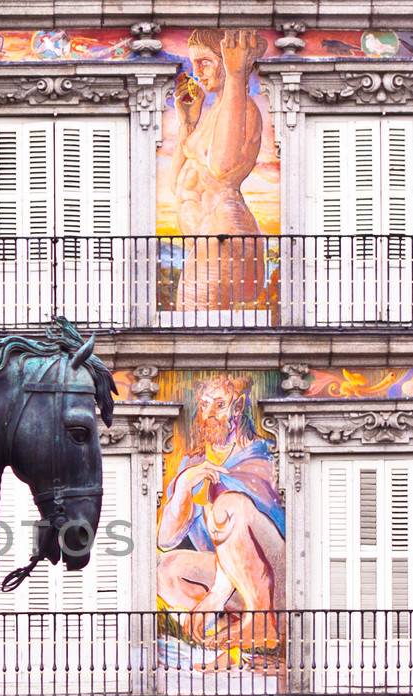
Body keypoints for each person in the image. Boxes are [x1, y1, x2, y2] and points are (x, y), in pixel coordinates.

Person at [156, 376, 285, 644]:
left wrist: (216, 594)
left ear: (237, 408)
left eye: (219, 405)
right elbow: (165, 539)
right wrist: (184, 485)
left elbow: (254, 531)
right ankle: (231, 622)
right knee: (165, 570)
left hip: (275, 574)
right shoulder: (194, 462)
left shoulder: (261, 455)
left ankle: (262, 621)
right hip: (231, 578)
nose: (210, 414)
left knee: (229, 505)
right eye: (204, 405)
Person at [166, 30, 266, 311]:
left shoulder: (244, 107)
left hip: (225, 239)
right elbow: (178, 186)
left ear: (228, 60)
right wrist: (187, 123)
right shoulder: (213, 114)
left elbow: (223, 168)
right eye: (193, 63)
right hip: (209, 241)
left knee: (196, 330)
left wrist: (236, 77)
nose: (196, 71)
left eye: (205, 62)